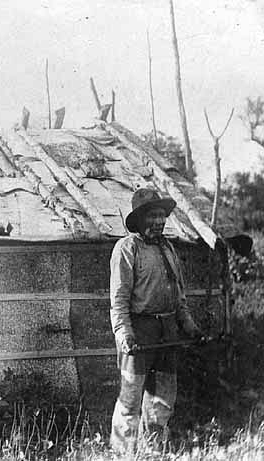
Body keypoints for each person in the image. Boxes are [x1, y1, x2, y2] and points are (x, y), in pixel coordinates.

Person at [109, 188, 203, 454]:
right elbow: (118, 300)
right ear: (139, 219)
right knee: (130, 398)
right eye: (152, 216)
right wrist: (124, 335)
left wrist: (190, 326)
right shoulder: (127, 249)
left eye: (162, 216)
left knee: (162, 399)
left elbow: (178, 296)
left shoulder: (168, 248)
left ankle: (153, 452)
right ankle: (121, 454)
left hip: (167, 332)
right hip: (140, 332)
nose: (159, 222)